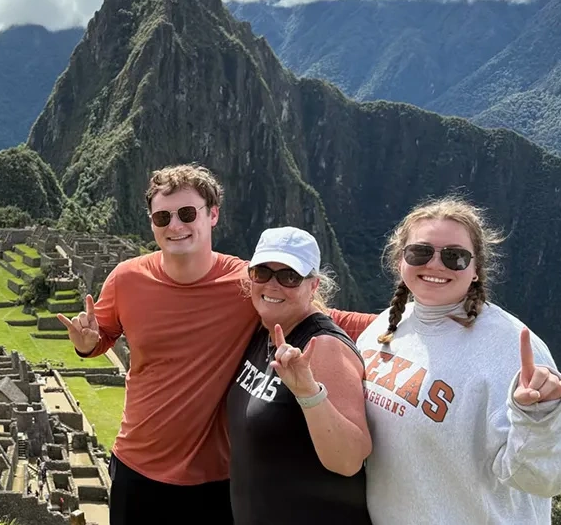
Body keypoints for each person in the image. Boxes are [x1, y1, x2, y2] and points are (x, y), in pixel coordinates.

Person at [57, 164, 376, 525]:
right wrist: (87, 344)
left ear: (212, 215)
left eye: (187, 213)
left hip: (215, 480)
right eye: (163, 217)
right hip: (137, 465)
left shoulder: (248, 283)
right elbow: (102, 336)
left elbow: (311, 313)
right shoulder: (126, 279)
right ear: (151, 223)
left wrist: (409, 322)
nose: (175, 225)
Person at [356, 196, 561, 524]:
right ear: (400, 261)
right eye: (420, 252)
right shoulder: (385, 328)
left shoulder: (512, 349)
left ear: (475, 270)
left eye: (454, 257)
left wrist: (540, 419)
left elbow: (553, 478)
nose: (434, 265)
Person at [226, 226, 371, 523]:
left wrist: (309, 394)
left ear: (313, 285)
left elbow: (349, 459)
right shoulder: (263, 331)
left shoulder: (323, 347)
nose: (273, 285)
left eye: (289, 276)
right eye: (262, 273)